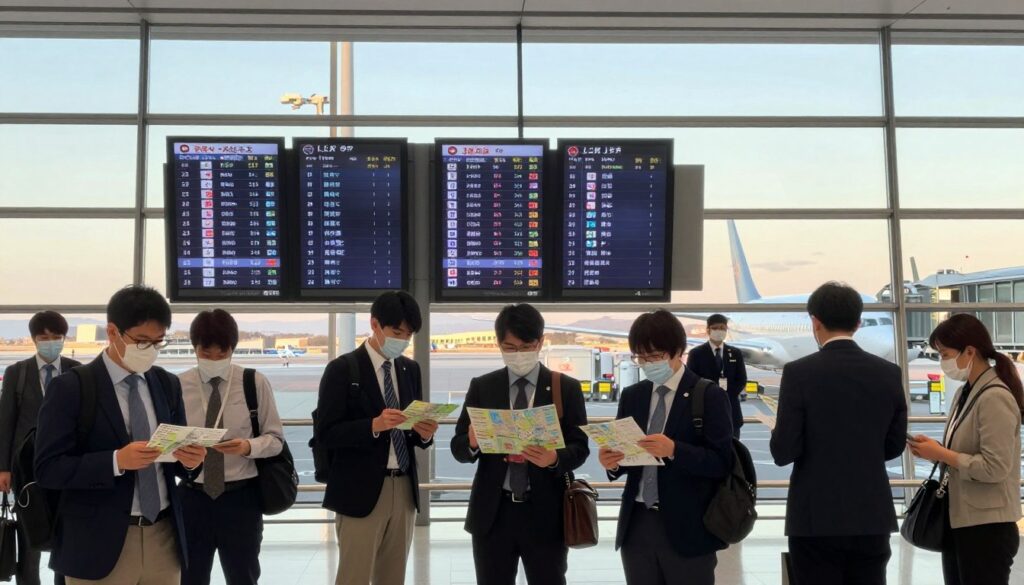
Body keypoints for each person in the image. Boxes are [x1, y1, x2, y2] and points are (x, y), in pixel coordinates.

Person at [33, 285, 207, 585]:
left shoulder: (166, 384)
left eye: (157, 342)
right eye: (141, 341)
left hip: (163, 537)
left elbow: (174, 461)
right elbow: (48, 469)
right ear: (112, 332)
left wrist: (192, 461)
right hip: (97, 542)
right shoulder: (72, 389)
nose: (150, 350)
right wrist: (115, 461)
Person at [769, 282, 906, 585]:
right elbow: (895, 444)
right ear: (858, 323)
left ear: (815, 322)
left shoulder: (798, 373)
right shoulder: (888, 372)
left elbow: (783, 452)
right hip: (871, 513)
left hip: (815, 516)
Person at [451, 304, 590, 585]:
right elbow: (458, 446)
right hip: (493, 513)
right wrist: (473, 443)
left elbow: (580, 447)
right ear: (499, 344)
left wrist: (553, 458)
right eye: (510, 348)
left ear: (540, 342)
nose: (518, 355)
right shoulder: (483, 386)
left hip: (545, 511)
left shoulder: (566, 387)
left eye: (526, 346)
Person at [598, 309, 733, 585]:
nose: (648, 364)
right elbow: (627, 455)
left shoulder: (708, 396)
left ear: (678, 351)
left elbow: (721, 462)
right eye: (640, 357)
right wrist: (613, 462)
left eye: (655, 356)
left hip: (689, 524)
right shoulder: (633, 396)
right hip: (637, 524)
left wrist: (674, 450)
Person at [314, 291, 437, 585]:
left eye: (408, 335)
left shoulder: (410, 369)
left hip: (404, 488)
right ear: (375, 324)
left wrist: (424, 435)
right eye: (397, 332)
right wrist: (373, 425)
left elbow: (412, 429)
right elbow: (326, 433)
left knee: (393, 576)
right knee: (354, 576)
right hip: (360, 489)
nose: (403, 340)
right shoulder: (343, 369)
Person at [908, 314, 1023, 585]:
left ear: (970, 351)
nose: (942, 362)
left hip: (987, 526)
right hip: (963, 520)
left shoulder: (995, 396)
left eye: (945, 354)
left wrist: (940, 454)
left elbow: (995, 468)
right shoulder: (965, 393)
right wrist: (935, 448)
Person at [177, 309, 284, 585]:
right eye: (206, 353)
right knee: (189, 577)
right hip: (193, 497)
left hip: (241, 499)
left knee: (243, 576)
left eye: (221, 354)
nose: (213, 360)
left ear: (232, 349)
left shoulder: (253, 383)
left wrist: (248, 446)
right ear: (194, 348)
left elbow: (275, 439)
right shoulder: (178, 385)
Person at [0, 311, 81, 585]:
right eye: (44, 337)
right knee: (29, 539)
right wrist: (3, 468)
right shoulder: (17, 373)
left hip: (66, 468)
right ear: (34, 339)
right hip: (26, 472)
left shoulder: (77, 371)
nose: (50, 342)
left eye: (56, 337)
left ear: (63, 338)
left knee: (66, 537)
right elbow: (6, 422)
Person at [686, 314, 748, 438]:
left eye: (722, 328)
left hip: (731, 409)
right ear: (708, 330)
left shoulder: (735, 353)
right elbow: (691, 380)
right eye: (715, 328)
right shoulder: (696, 353)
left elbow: (741, 379)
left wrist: (726, 394)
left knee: (733, 450)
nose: (719, 331)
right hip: (705, 408)